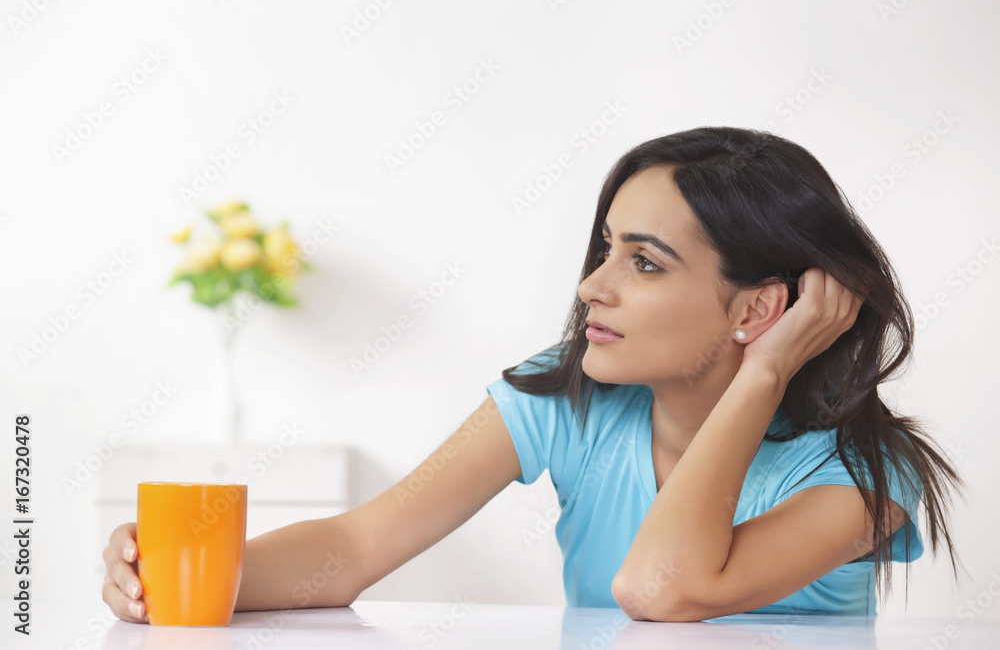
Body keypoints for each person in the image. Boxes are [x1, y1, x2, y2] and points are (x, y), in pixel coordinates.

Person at [102, 126, 964, 623]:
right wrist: (173, 579)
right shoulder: (567, 395)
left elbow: (660, 586)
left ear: (755, 310)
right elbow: (358, 546)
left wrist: (765, 371)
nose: (594, 284)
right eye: (605, 248)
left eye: (647, 262)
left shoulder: (863, 476)